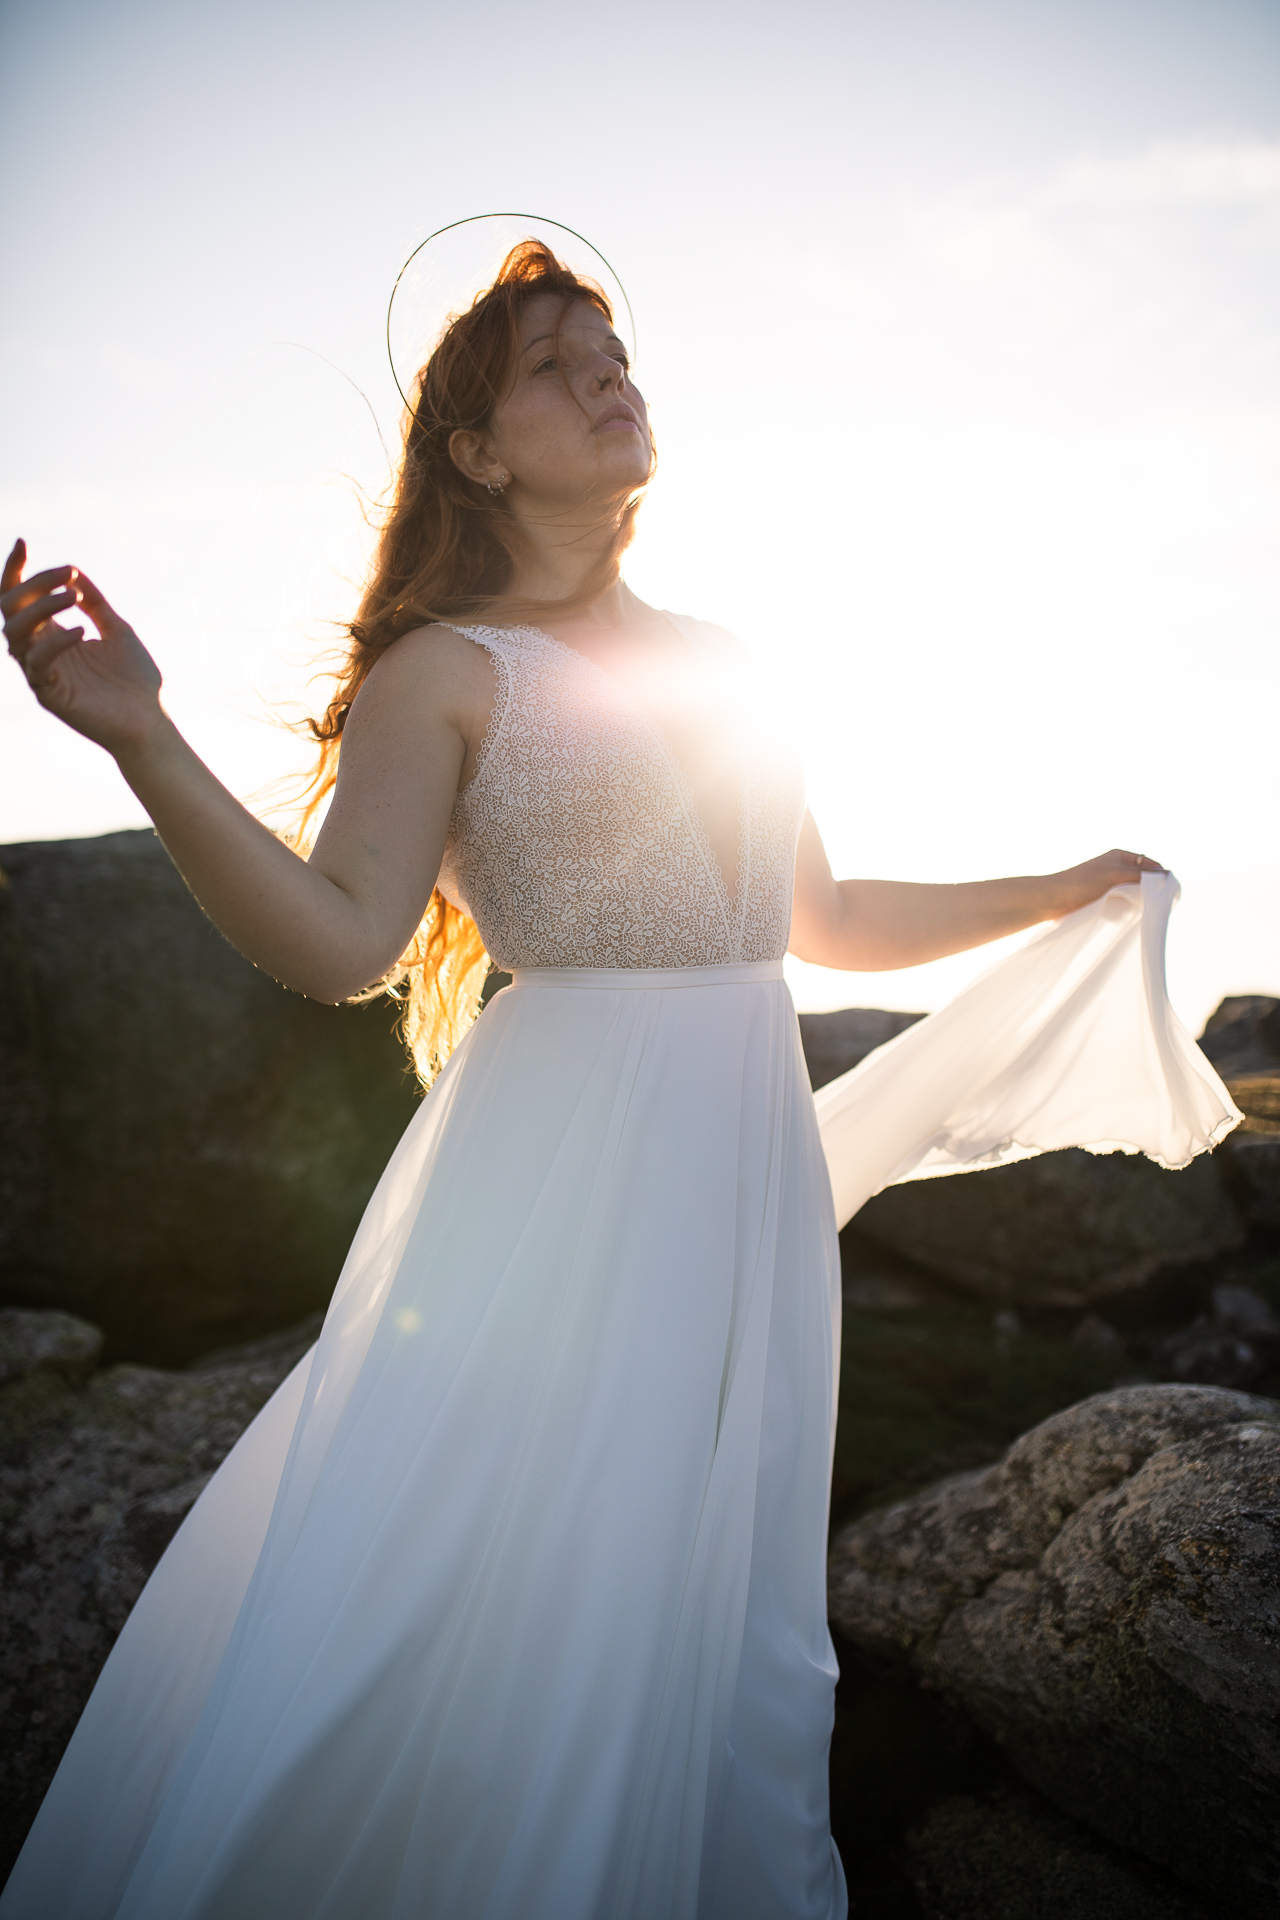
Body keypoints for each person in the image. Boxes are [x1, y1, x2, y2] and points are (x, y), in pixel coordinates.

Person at [0, 243, 1210, 1920]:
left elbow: (823, 921)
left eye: (614, 351)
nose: (608, 377)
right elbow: (347, 941)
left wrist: (1057, 884)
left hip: (738, 1162)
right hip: (563, 1167)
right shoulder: (445, 671)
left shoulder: (726, 654)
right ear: (480, 453)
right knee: (505, 1576)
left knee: (696, 1602)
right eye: (558, 365)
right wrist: (141, 731)